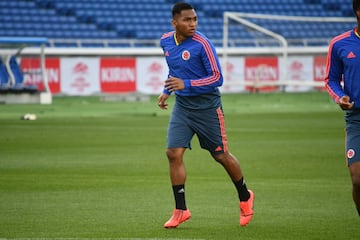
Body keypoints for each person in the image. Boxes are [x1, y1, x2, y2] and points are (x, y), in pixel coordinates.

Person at [157, 2, 254, 228]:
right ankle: (181, 209)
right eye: (187, 20)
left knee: (221, 156)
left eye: (195, 20)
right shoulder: (165, 41)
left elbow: (217, 78)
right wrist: (167, 90)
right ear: (175, 23)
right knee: (173, 153)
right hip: (183, 107)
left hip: (208, 108)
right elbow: (174, 70)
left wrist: (186, 84)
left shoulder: (203, 44)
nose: (192, 24)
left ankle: (245, 196)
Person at [325, 0, 360, 217]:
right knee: (357, 178)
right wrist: (340, 97)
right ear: (358, 11)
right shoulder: (340, 44)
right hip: (356, 118)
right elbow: (331, 80)